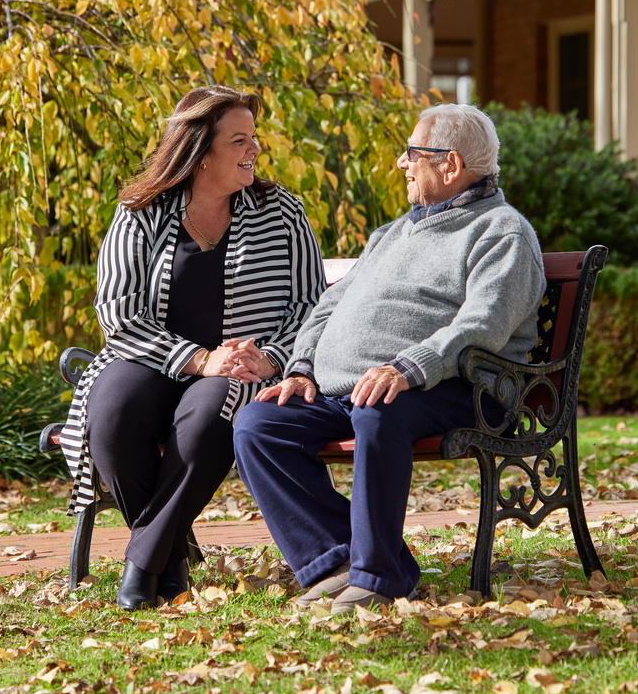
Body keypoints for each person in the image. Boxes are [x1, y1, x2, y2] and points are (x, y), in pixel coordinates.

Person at [232, 103, 545, 616]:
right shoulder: (394, 232)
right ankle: (336, 560)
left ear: (450, 164)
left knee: (378, 409)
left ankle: (378, 577)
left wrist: (407, 367)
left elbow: (482, 326)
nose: (402, 162)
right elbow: (328, 305)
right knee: (259, 424)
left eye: (412, 153)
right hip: (356, 388)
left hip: (461, 387)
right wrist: (302, 368)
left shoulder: (501, 231)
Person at [57, 86, 326, 610]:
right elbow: (118, 313)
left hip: (243, 368)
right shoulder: (141, 212)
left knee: (207, 419)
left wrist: (272, 357)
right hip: (149, 357)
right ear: (200, 151)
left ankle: (143, 566)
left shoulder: (282, 212)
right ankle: (171, 558)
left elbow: (311, 308)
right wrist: (199, 359)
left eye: (254, 137)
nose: (254, 149)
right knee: (111, 415)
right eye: (239, 140)